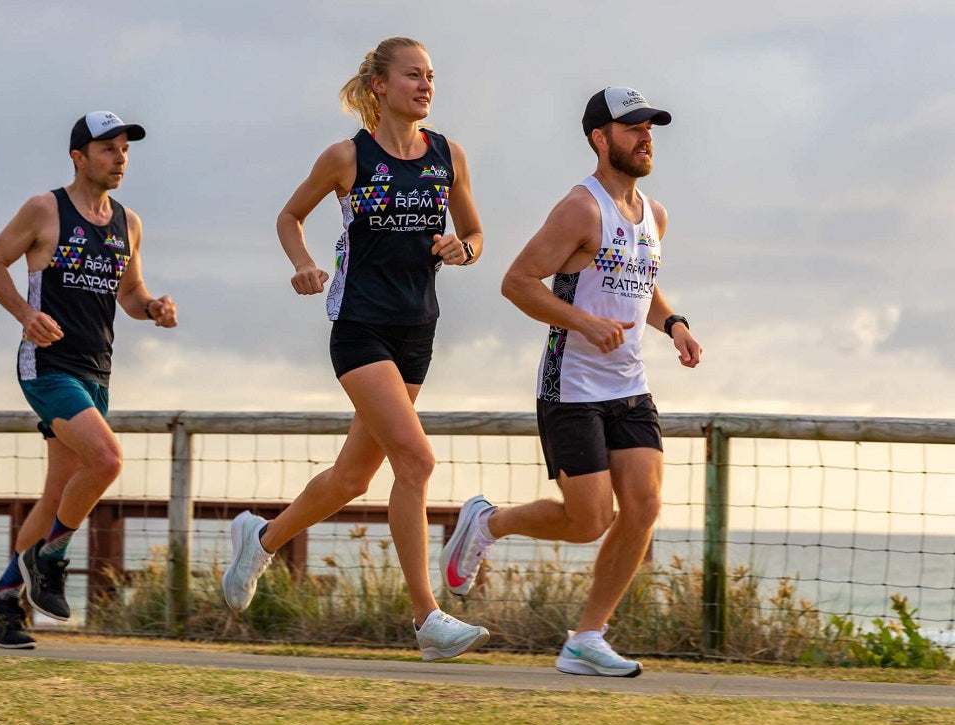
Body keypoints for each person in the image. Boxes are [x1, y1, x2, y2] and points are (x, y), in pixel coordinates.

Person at [221, 37, 489, 661]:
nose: (425, 86)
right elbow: (289, 217)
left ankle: (261, 541)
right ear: (379, 85)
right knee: (416, 461)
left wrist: (463, 250)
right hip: (360, 326)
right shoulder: (348, 156)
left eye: (431, 76)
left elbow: (475, 233)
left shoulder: (448, 156)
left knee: (352, 478)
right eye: (413, 75)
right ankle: (427, 620)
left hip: (418, 329)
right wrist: (303, 264)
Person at [439, 87, 702, 676]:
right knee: (588, 521)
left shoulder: (654, 215)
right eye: (633, 128)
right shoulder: (580, 209)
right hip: (573, 386)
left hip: (630, 386)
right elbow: (517, 282)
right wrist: (584, 322)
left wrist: (674, 324)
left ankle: (586, 638)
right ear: (599, 138)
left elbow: (640, 281)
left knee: (643, 507)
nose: (646, 137)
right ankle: (489, 522)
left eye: (650, 127)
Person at [0, 111, 178, 649]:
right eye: (108, 149)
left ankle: (2, 599)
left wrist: (153, 308)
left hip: (96, 371)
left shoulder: (128, 223)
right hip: (47, 365)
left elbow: (129, 293)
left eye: (125, 149)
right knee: (106, 460)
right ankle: (51, 558)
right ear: (78, 157)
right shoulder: (45, 209)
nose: (120, 158)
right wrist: (25, 314)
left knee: (56, 495)